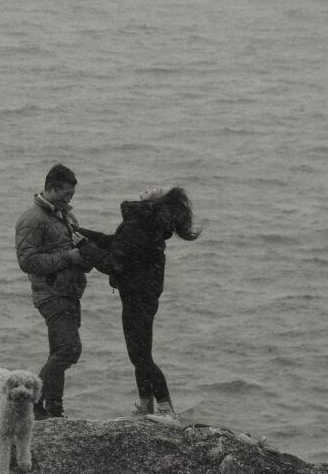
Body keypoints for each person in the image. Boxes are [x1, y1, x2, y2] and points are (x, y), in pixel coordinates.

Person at [77, 186, 200, 418]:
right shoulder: (147, 221)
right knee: (140, 354)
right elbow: (115, 242)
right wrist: (81, 233)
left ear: (157, 201)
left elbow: (114, 262)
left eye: (157, 189)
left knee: (140, 356)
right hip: (144, 295)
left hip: (137, 296)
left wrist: (84, 246)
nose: (152, 187)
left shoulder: (141, 223)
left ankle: (165, 408)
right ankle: (146, 406)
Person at [15, 164, 91, 419]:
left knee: (58, 351)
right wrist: (68, 257)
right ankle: (31, 401)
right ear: (50, 188)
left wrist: (86, 253)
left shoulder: (65, 216)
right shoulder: (32, 219)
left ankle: (54, 410)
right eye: (66, 194)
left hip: (70, 291)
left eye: (71, 195)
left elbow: (76, 248)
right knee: (69, 350)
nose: (70, 199)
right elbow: (27, 261)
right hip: (51, 293)